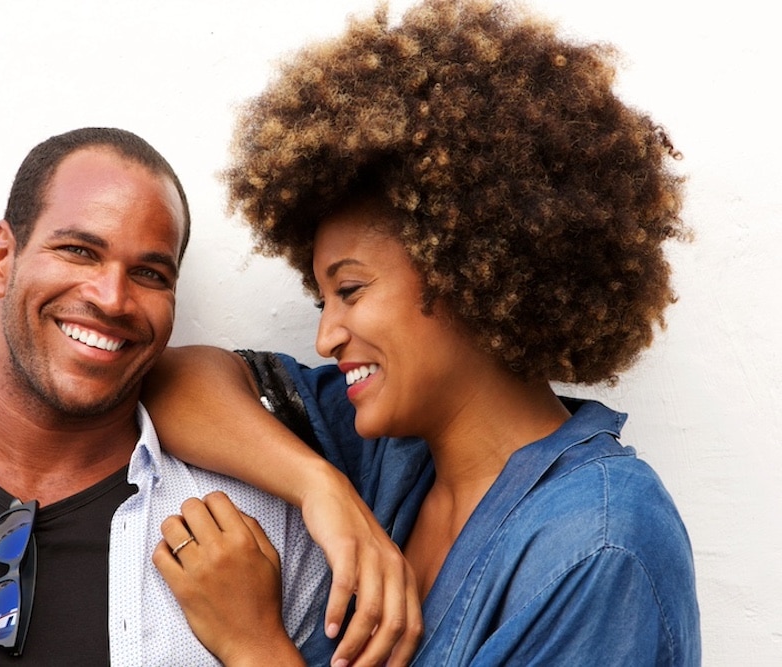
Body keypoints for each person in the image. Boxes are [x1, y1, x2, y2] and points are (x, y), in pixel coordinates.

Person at [144, 0, 701, 664]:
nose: (326, 338)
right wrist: (321, 488)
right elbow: (171, 380)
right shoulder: (389, 456)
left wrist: (251, 641)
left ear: (466, 266)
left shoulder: (604, 547)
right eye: (323, 300)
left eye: (349, 290)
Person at [0, 127, 415, 666]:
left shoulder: (263, 541)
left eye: (149, 273)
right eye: (79, 251)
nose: (112, 298)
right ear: (2, 259)